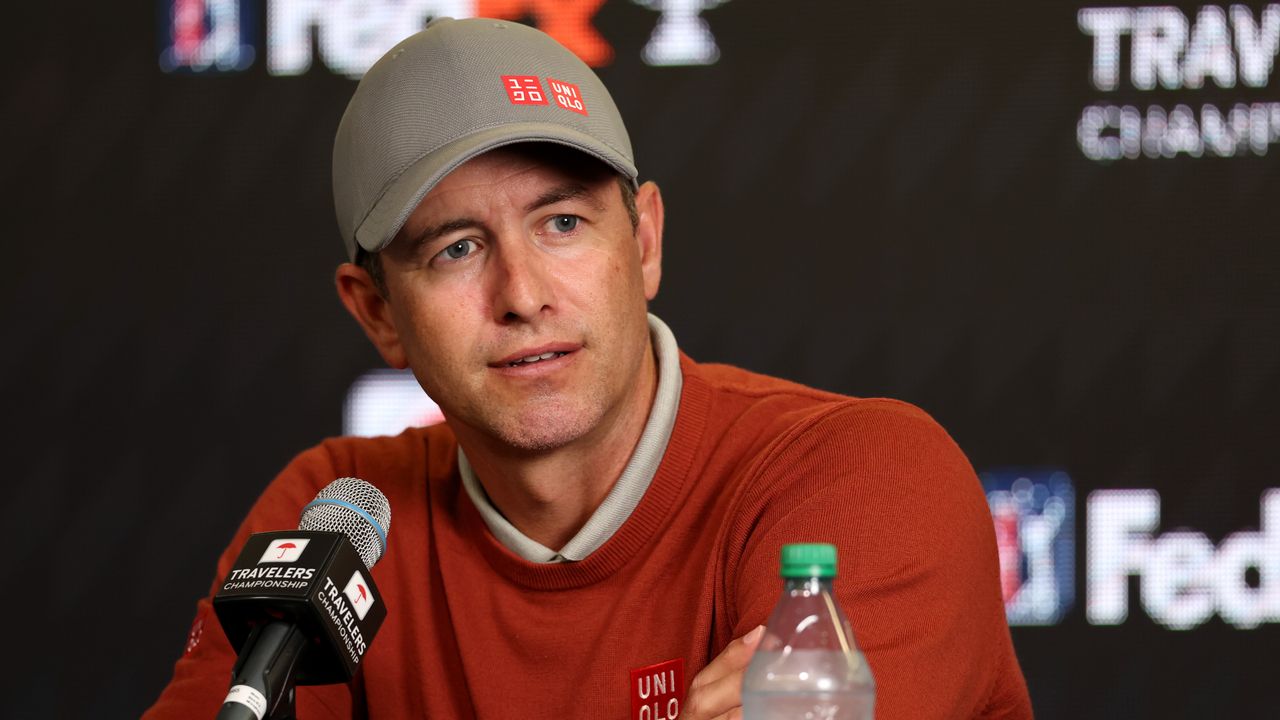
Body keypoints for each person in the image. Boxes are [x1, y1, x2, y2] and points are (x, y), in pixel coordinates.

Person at [146, 17, 1032, 720]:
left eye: (561, 223)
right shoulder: (340, 520)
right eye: (457, 249)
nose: (522, 293)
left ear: (643, 241)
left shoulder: (865, 476)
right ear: (377, 310)